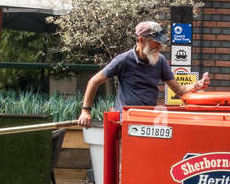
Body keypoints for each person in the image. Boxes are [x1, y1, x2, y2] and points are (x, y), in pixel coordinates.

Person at [77, 20, 208, 127]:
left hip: (148, 121)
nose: (159, 46)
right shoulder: (123, 60)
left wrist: (197, 85)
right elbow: (94, 81)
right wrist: (85, 111)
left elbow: (179, 91)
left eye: (160, 43)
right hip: (125, 121)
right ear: (140, 39)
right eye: (155, 42)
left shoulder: (160, 61)